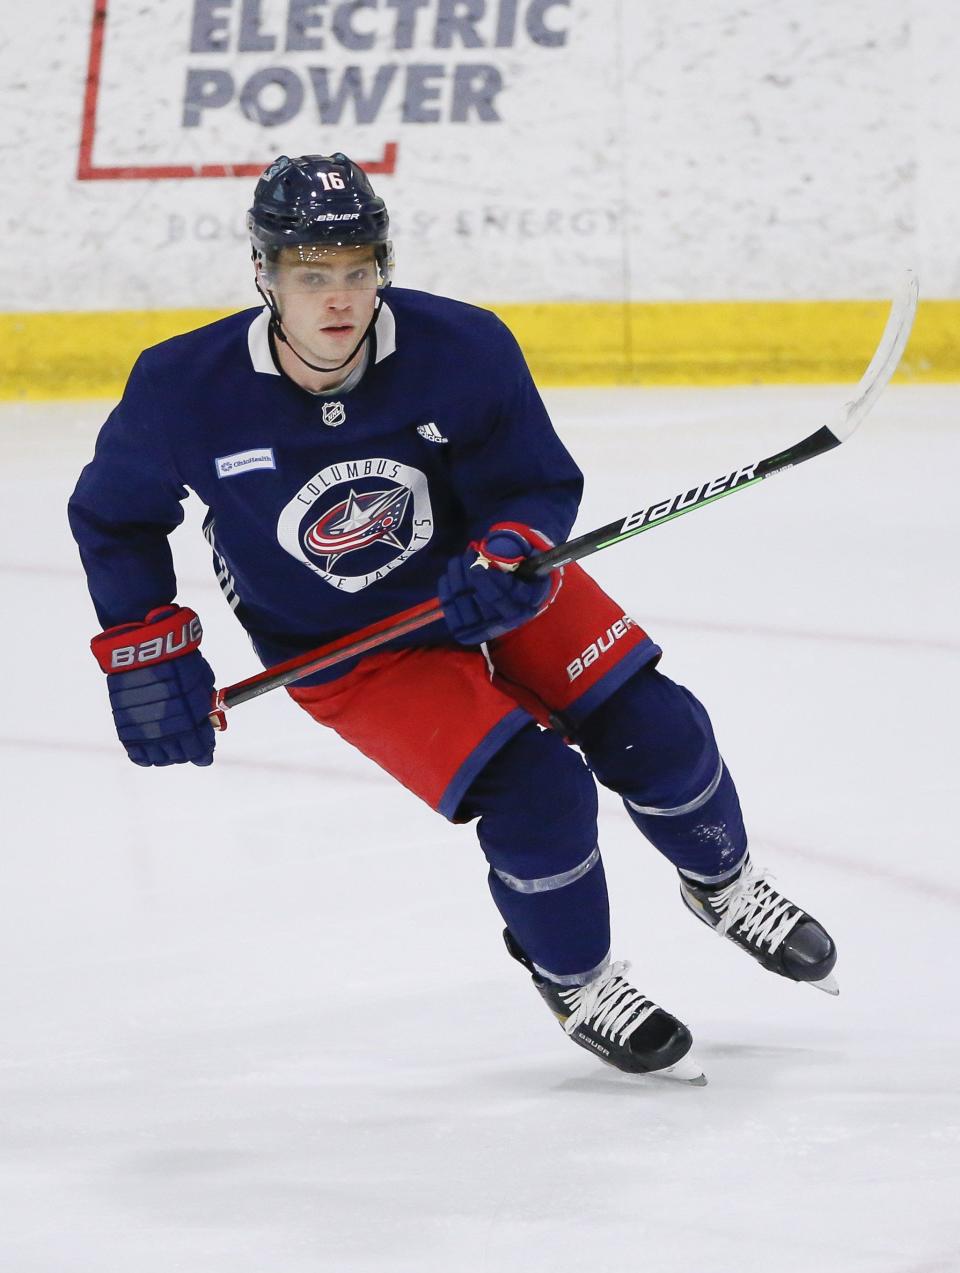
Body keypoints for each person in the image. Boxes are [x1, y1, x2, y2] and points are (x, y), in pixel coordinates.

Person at [68, 153, 838, 1086]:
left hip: (489, 585)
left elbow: (533, 481)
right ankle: (578, 979)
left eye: (358, 270)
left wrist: (512, 547)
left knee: (657, 727)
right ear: (264, 273)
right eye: (313, 275)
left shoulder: (462, 346)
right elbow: (115, 517)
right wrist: (146, 650)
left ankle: (723, 882)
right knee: (538, 794)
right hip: (346, 647)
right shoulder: (182, 387)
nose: (339, 298)